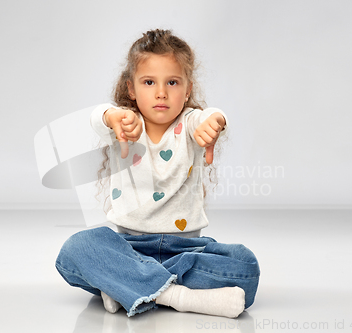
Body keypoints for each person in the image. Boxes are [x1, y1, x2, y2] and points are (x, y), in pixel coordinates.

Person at [55, 29, 260, 318]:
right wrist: (111, 116)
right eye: (149, 82)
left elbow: (210, 116)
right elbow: (99, 117)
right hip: (129, 247)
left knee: (246, 266)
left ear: (187, 90)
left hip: (186, 251)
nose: (161, 92)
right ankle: (177, 296)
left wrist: (216, 120)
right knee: (76, 250)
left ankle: (125, 284)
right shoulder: (124, 125)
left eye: (172, 82)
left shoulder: (190, 124)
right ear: (131, 89)